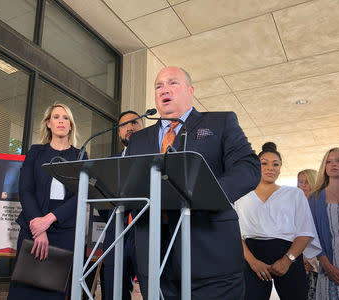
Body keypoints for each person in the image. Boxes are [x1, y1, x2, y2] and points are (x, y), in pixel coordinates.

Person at [125, 66, 261, 299]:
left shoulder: (221, 122)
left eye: (172, 83)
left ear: (191, 90)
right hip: (155, 263)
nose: (164, 89)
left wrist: (204, 195)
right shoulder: (138, 139)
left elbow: (248, 168)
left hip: (211, 259)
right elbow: (127, 187)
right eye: (158, 86)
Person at [7, 103, 86, 300]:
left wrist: (49, 219)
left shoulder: (80, 156)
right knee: (22, 291)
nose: (61, 121)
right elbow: (25, 190)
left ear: (71, 125)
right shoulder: (35, 152)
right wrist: (38, 225)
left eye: (65, 118)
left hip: (64, 229)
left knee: (52, 292)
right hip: (32, 227)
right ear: (48, 123)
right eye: (56, 117)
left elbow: (80, 196)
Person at [235, 142, 321, 300]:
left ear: (280, 168)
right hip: (251, 256)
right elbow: (235, 234)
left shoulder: (295, 194)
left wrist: (287, 260)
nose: (270, 168)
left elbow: (305, 232)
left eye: (276, 164)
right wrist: (253, 262)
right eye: (264, 163)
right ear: (256, 165)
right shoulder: (241, 196)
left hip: (288, 254)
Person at [101, 110, 142, 300]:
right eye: (124, 125)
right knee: (112, 291)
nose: (130, 127)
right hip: (115, 236)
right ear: (118, 132)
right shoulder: (109, 163)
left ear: (143, 128)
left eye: (135, 123)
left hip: (145, 233)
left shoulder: (156, 158)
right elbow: (102, 204)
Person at [309, 148, 339, 299]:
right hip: (328, 265)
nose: (333, 164)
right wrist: (328, 267)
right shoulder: (315, 197)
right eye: (329, 162)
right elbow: (311, 234)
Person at [298, 169, 319, 300]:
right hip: (298, 258)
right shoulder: (296, 205)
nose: (303, 185)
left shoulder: (319, 205)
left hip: (317, 260)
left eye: (307, 182)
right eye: (301, 182)